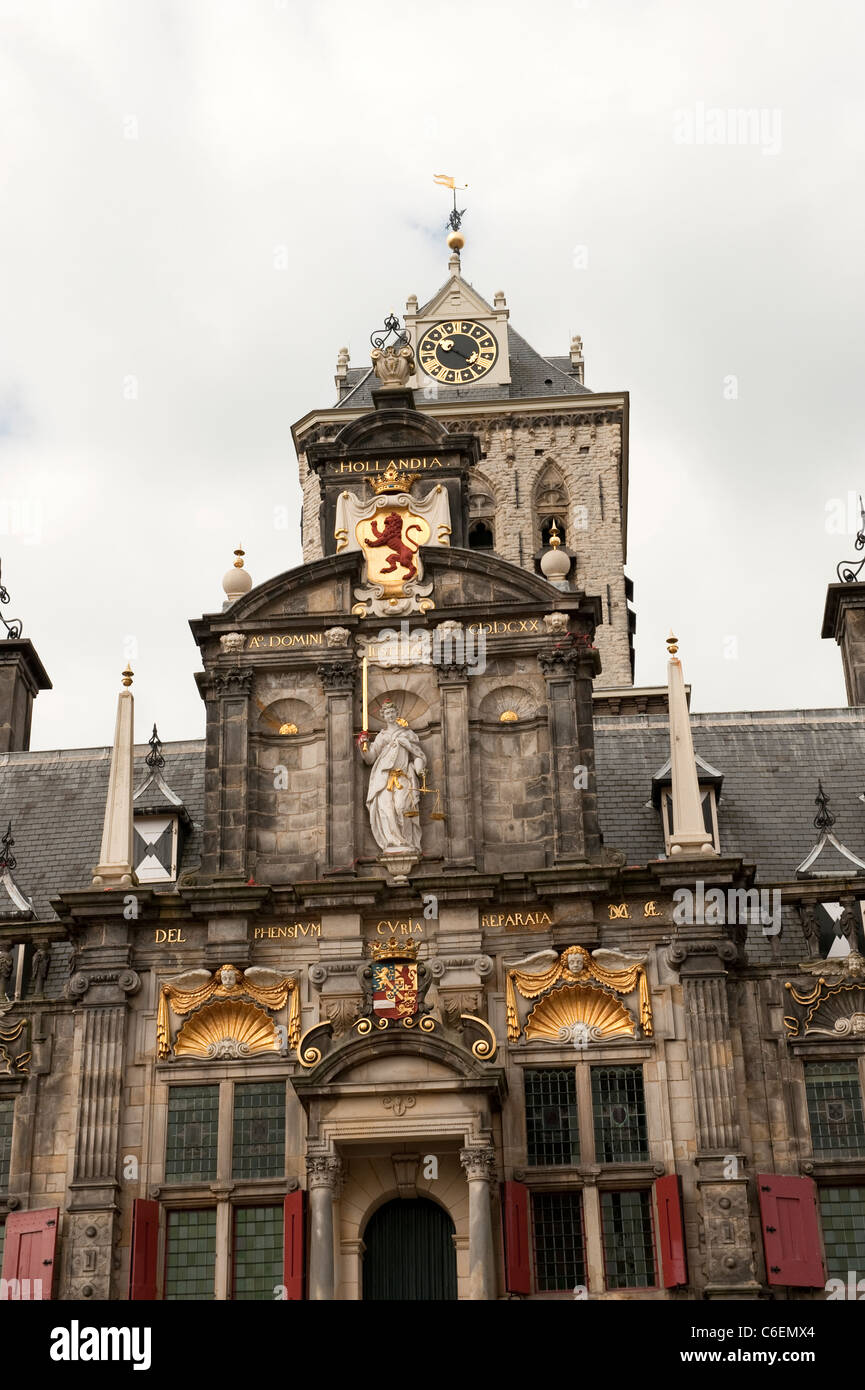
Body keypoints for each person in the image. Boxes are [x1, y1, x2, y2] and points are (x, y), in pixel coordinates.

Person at [360, 700, 426, 853]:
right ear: (383, 716)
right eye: (387, 713)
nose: (390, 715)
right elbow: (370, 758)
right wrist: (363, 745)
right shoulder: (382, 737)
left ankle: (407, 842)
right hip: (384, 779)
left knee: (402, 807)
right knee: (386, 810)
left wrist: (419, 768)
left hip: (402, 777)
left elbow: (418, 755)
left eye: (392, 712)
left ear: (397, 714)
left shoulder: (407, 734)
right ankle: (392, 842)